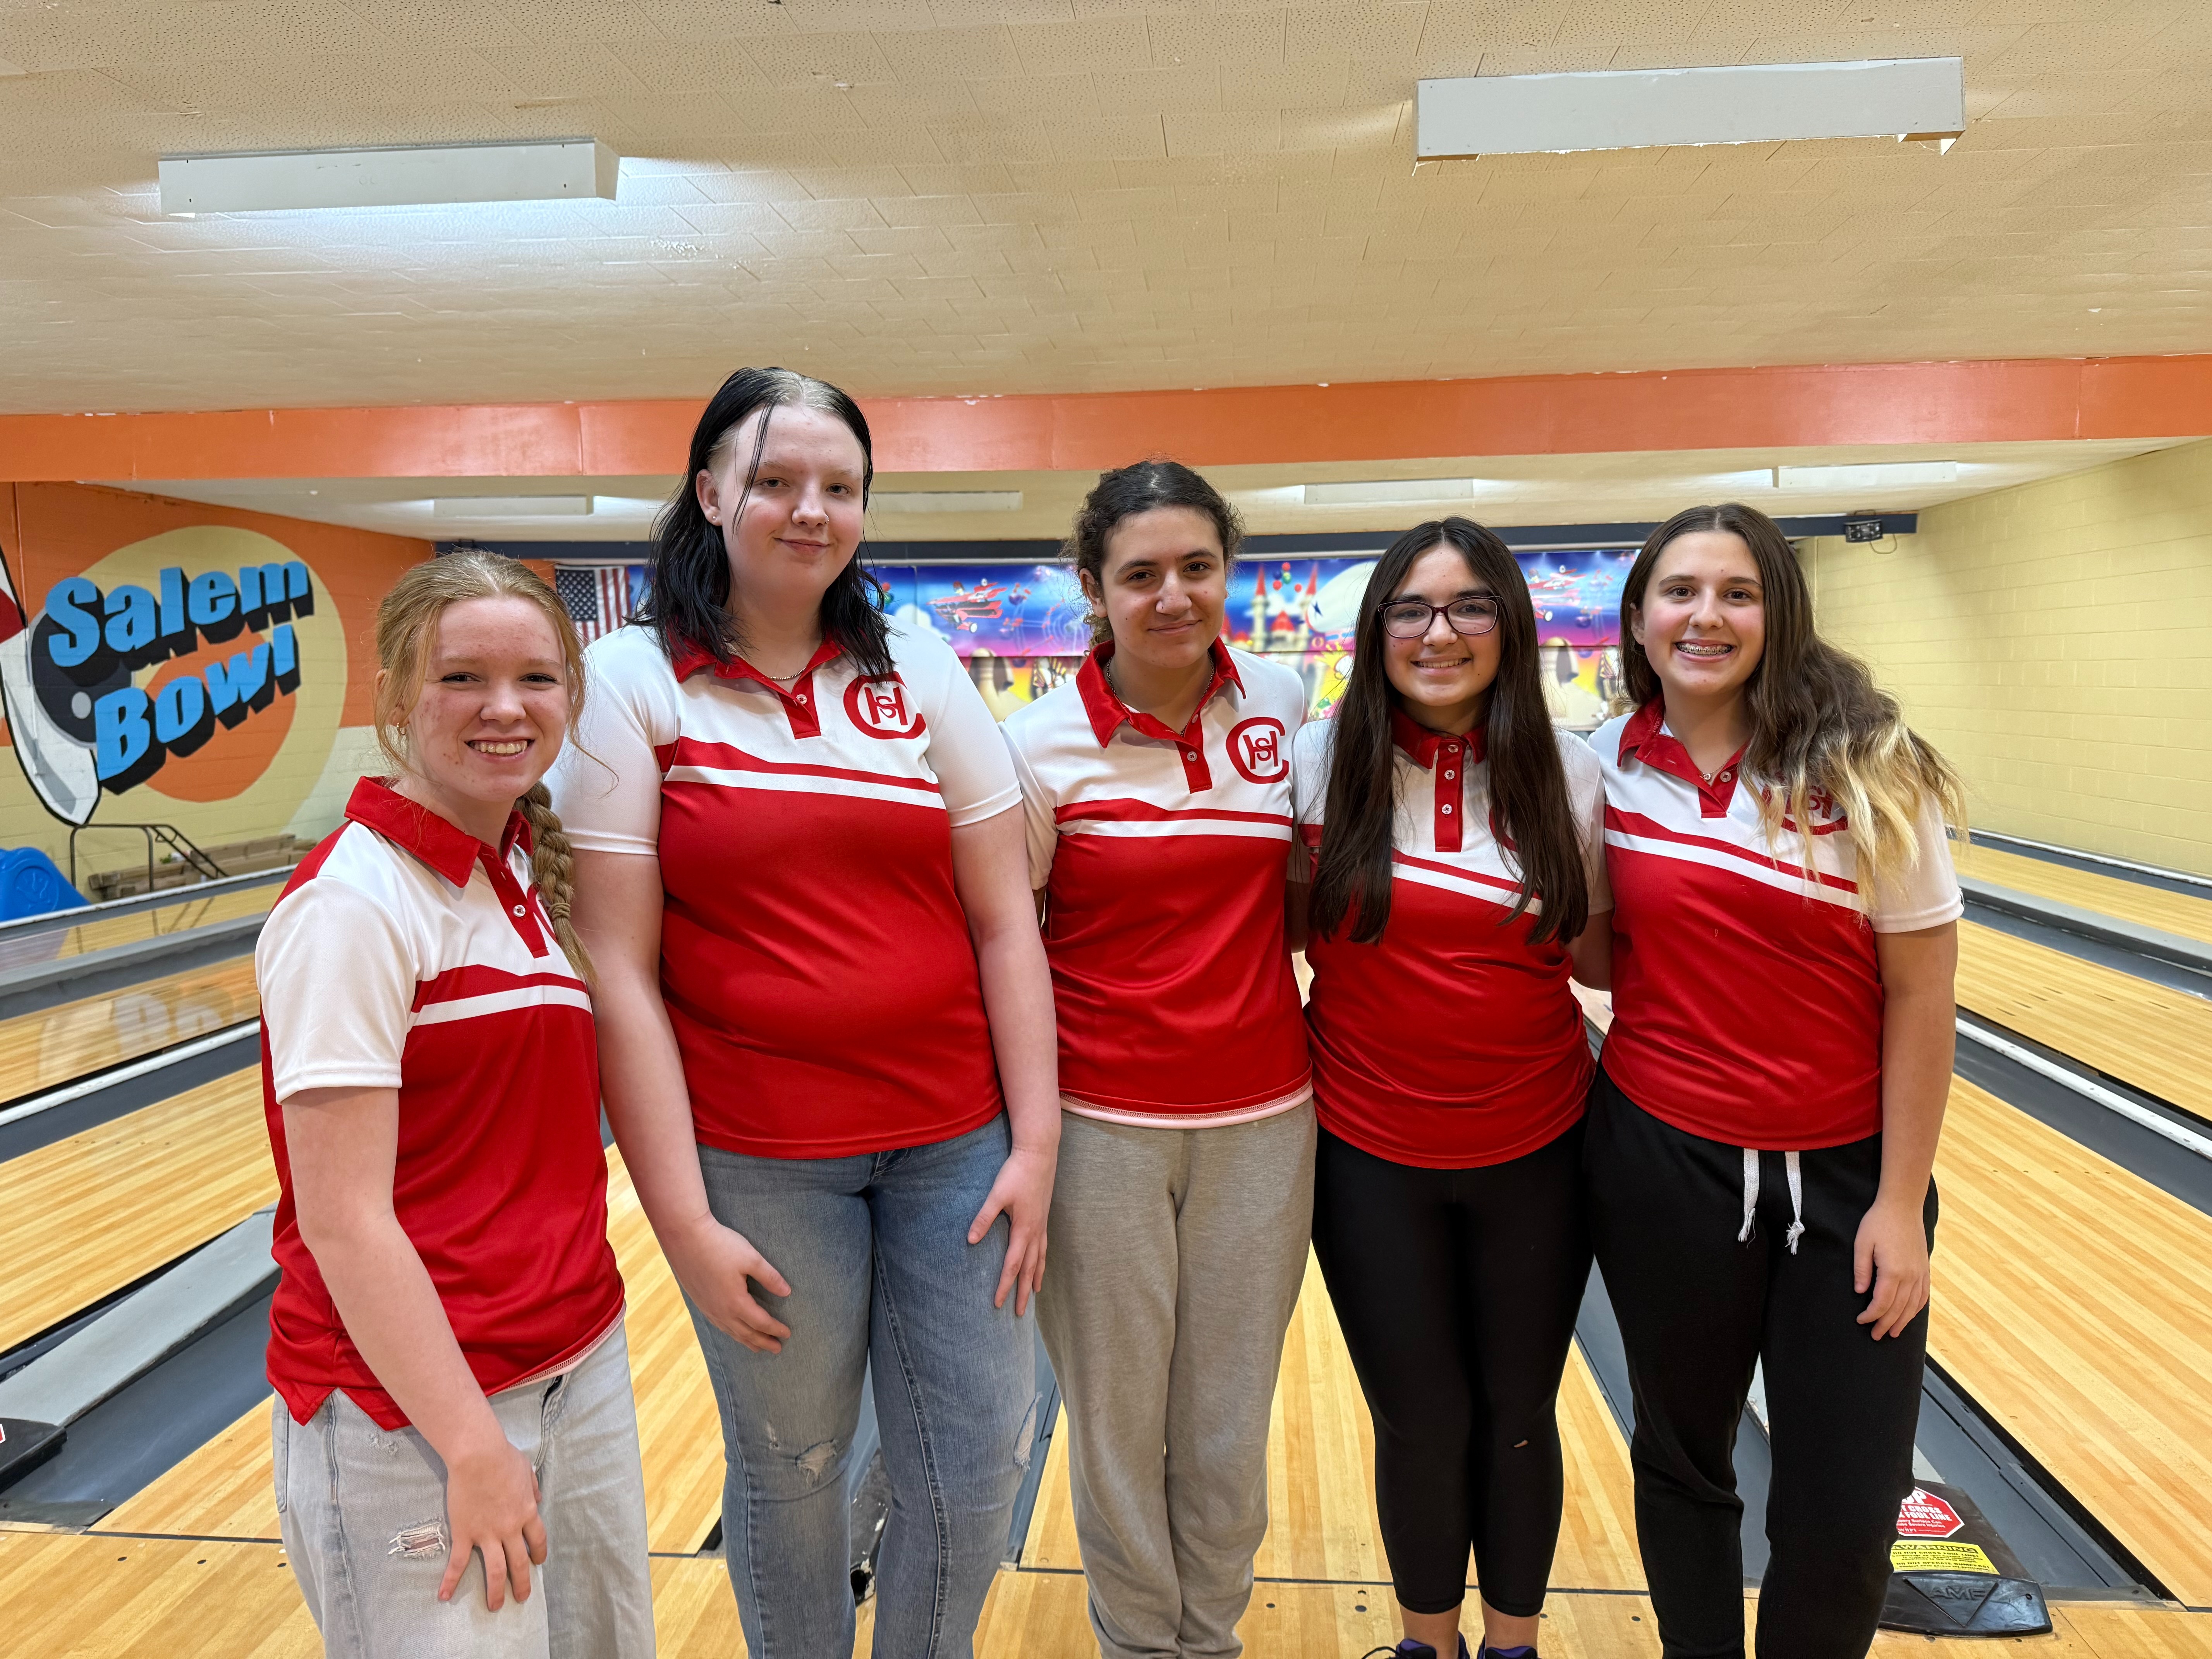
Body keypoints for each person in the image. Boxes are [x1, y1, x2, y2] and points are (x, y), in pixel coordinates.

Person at [550, 368, 1058, 1659]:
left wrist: (1037, 1146)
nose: (809, 507)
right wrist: (681, 1213)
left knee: (977, 1462)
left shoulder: (923, 673)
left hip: (957, 1145)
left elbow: (1007, 923)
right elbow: (618, 963)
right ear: (711, 492)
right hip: (762, 1161)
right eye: (775, 480)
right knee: (796, 1463)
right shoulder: (630, 682)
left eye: (840, 485)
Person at [1582, 502, 1965, 1658]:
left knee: (1846, 1512)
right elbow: (1599, 944)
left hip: (1848, 1183)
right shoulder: (1606, 762)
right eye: (1681, 592)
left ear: (1776, 615)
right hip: (1666, 1162)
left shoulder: (1865, 767)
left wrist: (1901, 1203)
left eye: (1737, 593)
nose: (1707, 615)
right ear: (1642, 617)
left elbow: (1922, 993)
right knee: (1686, 1461)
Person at [258, 551, 651, 1658]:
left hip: (579, 1367)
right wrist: (474, 1446)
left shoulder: (519, 870)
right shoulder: (353, 905)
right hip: (417, 1419)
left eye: (537, 677)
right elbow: (344, 1220)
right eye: (463, 678)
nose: (505, 707)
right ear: (394, 699)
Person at [1000, 460, 1314, 1659]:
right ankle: (1140, 1643)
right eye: (1141, 574)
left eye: (1196, 567)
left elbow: (1294, 898)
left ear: (1228, 573)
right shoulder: (1037, 747)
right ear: (1095, 589)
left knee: (1228, 1421)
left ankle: (1213, 1637)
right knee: (1119, 1423)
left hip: (1266, 1125)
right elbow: (1013, 950)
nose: (1173, 594)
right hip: (1101, 1132)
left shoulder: (1278, 703)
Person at [1297, 520, 1610, 1659]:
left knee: (1519, 1420)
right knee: (1421, 1422)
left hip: (1540, 1149)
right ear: (1377, 632)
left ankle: (1514, 1645)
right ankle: (1429, 1644)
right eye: (1412, 609)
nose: (1441, 632)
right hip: (1369, 1154)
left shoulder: (1571, 772)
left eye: (1470, 606)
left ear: (1510, 626)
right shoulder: (1317, 763)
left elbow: (1605, 955)